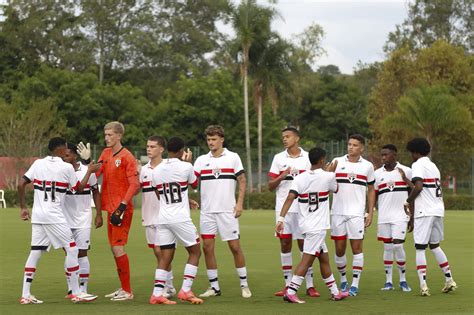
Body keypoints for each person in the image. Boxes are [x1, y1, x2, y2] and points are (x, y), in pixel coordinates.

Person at [18, 137, 98, 304]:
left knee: (35, 251)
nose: (67, 151)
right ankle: (76, 292)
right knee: (72, 249)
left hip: (38, 215)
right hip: (54, 216)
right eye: (66, 148)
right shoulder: (66, 167)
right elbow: (78, 189)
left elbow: (21, 184)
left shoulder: (38, 163)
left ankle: (25, 295)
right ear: (61, 149)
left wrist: (23, 208)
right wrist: (90, 170)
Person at [276, 147, 349, 303]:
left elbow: (289, 198)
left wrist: (281, 219)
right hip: (317, 227)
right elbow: (336, 189)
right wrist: (332, 172)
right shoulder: (329, 176)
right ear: (322, 160)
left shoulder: (300, 178)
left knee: (324, 258)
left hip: (304, 224)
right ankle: (291, 291)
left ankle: (335, 292)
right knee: (307, 259)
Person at [78, 121, 140, 301]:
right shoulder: (105, 153)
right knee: (115, 249)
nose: (106, 138)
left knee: (119, 248)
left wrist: (122, 206)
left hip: (121, 210)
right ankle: (123, 288)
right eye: (105, 135)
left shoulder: (127, 157)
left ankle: (127, 291)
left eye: (110, 135)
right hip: (110, 209)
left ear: (119, 136)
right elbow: (95, 173)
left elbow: (135, 184)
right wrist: (88, 160)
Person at [194, 125, 251, 299]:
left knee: (235, 247)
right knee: (207, 247)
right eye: (208, 139)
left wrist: (239, 204)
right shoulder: (201, 160)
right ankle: (214, 287)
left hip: (227, 211)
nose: (211, 142)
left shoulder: (233, 157)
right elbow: (191, 182)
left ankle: (244, 284)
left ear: (221, 139)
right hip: (207, 212)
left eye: (214, 139)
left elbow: (242, 180)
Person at [149, 137, 203, 305]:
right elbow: (195, 184)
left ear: (167, 150)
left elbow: (160, 195)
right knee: (195, 252)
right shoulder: (186, 166)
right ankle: (186, 290)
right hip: (180, 218)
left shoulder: (156, 170)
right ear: (181, 150)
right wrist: (190, 163)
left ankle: (157, 294)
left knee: (166, 256)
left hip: (163, 218)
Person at [268, 127, 319, 297]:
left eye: (288, 136)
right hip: (283, 209)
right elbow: (270, 186)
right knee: (285, 244)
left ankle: (310, 285)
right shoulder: (278, 158)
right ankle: (288, 284)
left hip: (303, 209)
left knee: (305, 245)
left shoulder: (307, 158)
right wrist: (282, 176)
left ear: (297, 138)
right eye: (283, 137)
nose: (284, 139)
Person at [405, 138, 457, 296]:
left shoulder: (418, 164)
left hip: (424, 211)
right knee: (435, 246)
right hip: (437, 210)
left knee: (420, 248)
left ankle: (423, 285)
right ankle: (449, 280)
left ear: (416, 152)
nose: (411, 156)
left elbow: (419, 186)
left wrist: (408, 201)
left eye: (411, 153)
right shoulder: (433, 166)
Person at [327, 133, 375, 296]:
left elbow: (371, 189)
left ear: (361, 148)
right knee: (339, 249)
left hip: (356, 214)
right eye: (349, 144)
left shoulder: (367, 166)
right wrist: (327, 173)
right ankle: (343, 280)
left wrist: (370, 212)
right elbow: (325, 183)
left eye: (354, 145)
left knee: (356, 248)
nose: (351, 147)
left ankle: (355, 284)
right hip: (337, 213)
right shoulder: (337, 161)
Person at [62, 143, 102, 297]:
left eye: (67, 155)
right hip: (64, 219)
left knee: (82, 253)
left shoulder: (87, 170)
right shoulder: (61, 171)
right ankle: (71, 288)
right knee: (70, 253)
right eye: (63, 155)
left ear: (74, 156)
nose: (64, 158)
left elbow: (96, 192)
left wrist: (99, 214)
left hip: (83, 218)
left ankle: (83, 288)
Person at [140, 136, 176, 299]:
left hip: (165, 216)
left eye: (153, 147)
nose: (149, 149)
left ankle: (168, 286)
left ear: (161, 149)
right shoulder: (143, 170)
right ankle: (168, 285)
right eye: (147, 146)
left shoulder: (168, 167)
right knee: (157, 253)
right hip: (148, 216)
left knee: (161, 251)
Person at [374, 144, 412, 292]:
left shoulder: (406, 170)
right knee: (387, 247)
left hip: (401, 216)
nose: (383, 157)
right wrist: (368, 211)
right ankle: (388, 281)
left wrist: (412, 216)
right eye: (382, 155)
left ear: (394, 155)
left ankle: (403, 280)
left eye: (386, 154)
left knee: (398, 245)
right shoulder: (377, 174)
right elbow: (373, 195)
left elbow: (414, 192)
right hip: (384, 217)